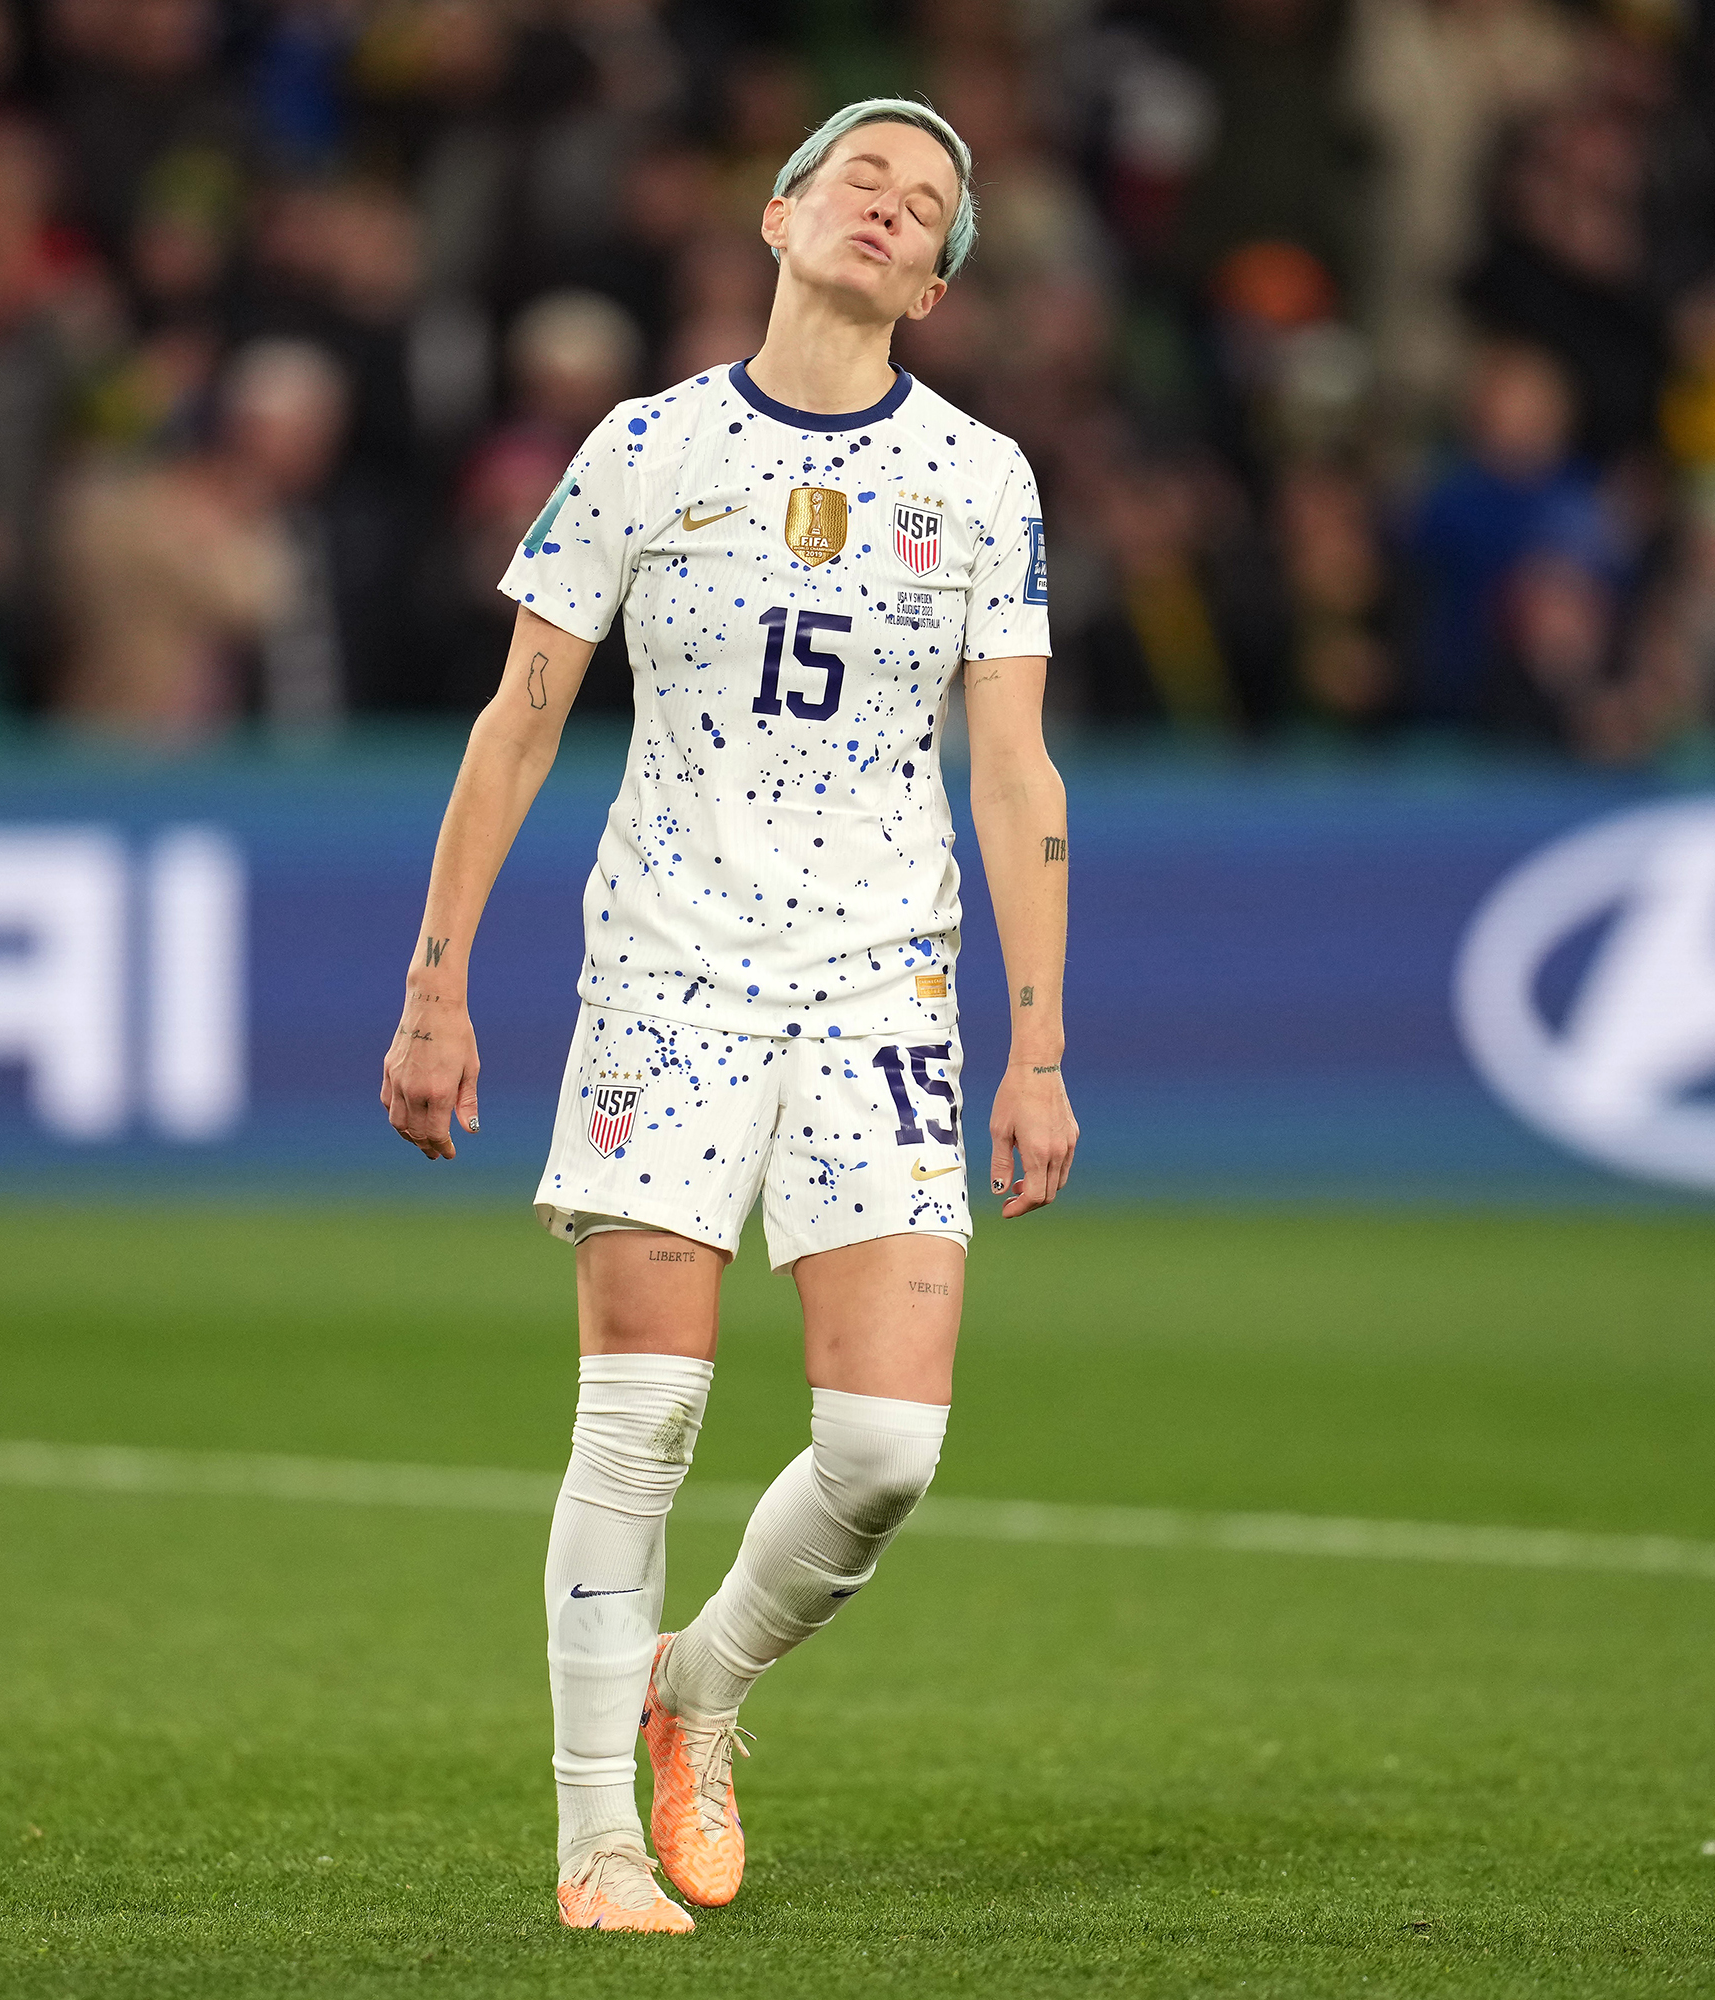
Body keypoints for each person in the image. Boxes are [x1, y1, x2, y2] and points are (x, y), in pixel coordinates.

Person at [378, 98, 1078, 1934]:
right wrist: (436, 981)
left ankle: (702, 1687)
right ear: (778, 214)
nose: (890, 207)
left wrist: (1043, 1044)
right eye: (864, 176)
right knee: (641, 1424)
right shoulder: (643, 448)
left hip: (881, 992)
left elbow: (1014, 777)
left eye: (927, 207)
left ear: (932, 284)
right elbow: (519, 717)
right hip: (671, 980)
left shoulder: (980, 481)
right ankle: (597, 1836)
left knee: (885, 1457)